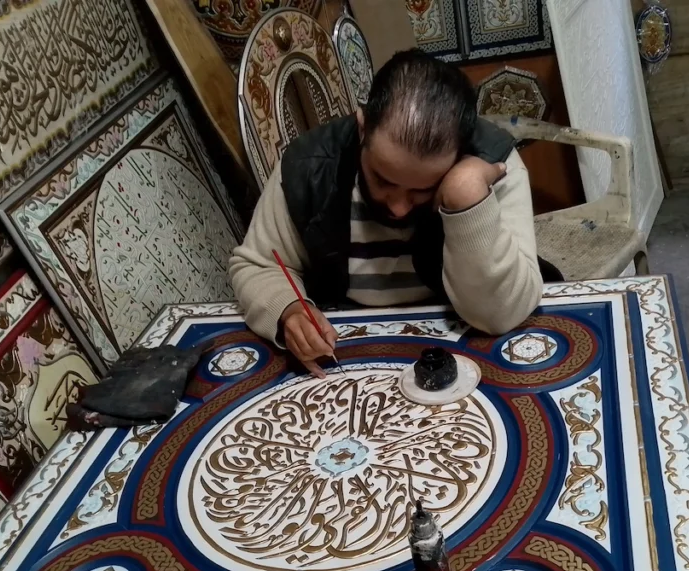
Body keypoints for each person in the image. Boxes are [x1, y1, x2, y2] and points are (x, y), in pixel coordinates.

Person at [229, 48, 556, 377]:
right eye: (383, 179)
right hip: (346, 351)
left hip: (465, 345)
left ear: (460, 152)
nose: (399, 208)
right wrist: (288, 309)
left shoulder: (494, 162)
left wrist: (467, 197)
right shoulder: (309, 166)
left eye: (423, 189)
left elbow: (500, 315)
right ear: (362, 129)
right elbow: (257, 264)